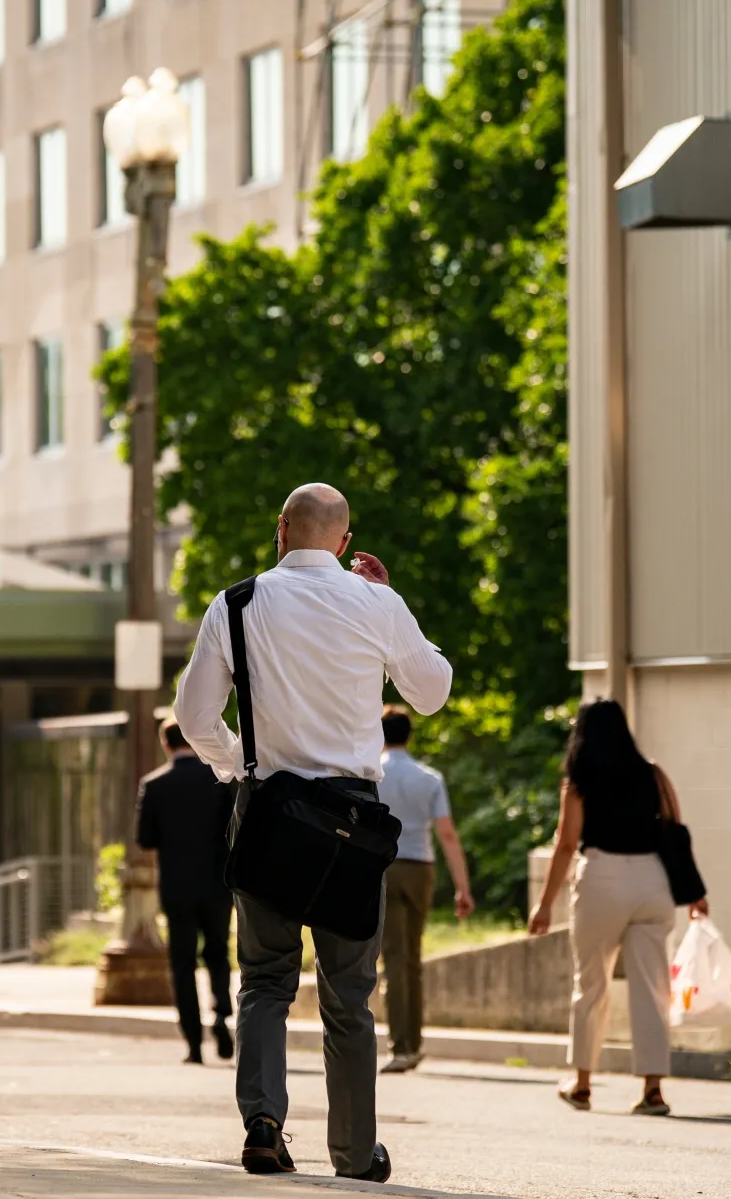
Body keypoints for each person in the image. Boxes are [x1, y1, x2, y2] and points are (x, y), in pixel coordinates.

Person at [174, 483, 451, 1183]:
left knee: (265, 978)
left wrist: (242, 763)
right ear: (345, 542)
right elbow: (432, 689)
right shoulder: (375, 602)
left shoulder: (236, 603)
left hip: (269, 810)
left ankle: (263, 1121)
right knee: (348, 993)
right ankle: (356, 1153)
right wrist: (394, 602)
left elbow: (193, 713)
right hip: (352, 823)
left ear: (281, 529)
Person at [528, 700, 707, 1117]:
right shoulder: (654, 774)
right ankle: (653, 1090)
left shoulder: (579, 782)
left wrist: (544, 904)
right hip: (653, 881)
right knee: (653, 988)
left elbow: (567, 844)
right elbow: (675, 832)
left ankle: (583, 1083)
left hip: (602, 879)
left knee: (591, 983)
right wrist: (695, 891)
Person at [374, 705, 474, 1073]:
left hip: (381, 868)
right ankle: (413, 1042)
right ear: (410, 735)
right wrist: (462, 887)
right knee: (412, 959)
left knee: (394, 959)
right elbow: (446, 834)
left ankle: (401, 1046)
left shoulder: (371, 774)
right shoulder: (429, 778)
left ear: (380, 734)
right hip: (420, 869)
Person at [136, 719, 238, 1065]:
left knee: (182, 963)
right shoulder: (220, 781)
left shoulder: (154, 784)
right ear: (194, 741)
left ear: (165, 745)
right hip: (217, 884)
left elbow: (146, 839)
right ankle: (223, 1014)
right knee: (218, 953)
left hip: (177, 887)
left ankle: (194, 1043)